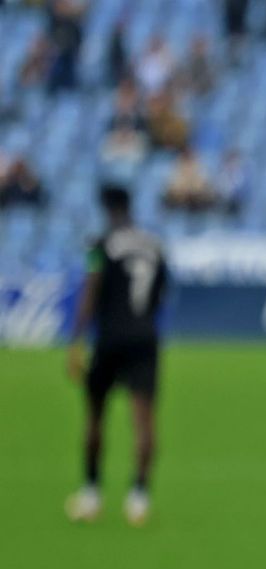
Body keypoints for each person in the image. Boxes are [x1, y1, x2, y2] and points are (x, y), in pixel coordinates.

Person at [65, 185, 167, 526]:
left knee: (95, 415)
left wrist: (76, 342)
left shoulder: (99, 245)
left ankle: (91, 493)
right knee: (144, 419)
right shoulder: (154, 245)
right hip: (145, 338)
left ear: (108, 209)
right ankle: (139, 497)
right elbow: (160, 294)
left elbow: (90, 290)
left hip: (110, 339)